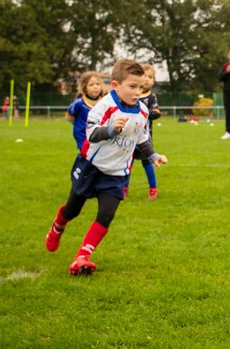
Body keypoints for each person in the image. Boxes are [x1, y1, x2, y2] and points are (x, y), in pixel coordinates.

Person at [44, 59, 168, 276]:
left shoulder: (142, 111)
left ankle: (82, 257)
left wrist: (153, 155)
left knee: (106, 214)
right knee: (73, 210)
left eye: (140, 87)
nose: (137, 92)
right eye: (132, 86)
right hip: (91, 167)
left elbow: (142, 138)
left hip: (117, 173)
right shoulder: (103, 106)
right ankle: (58, 226)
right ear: (115, 85)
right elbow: (92, 134)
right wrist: (111, 130)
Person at [128, 63, 162, 200]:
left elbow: (157, 112)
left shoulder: (151, 97)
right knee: (127, 164)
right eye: (144, 76)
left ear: (153, 81)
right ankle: (123, 188)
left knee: (147, 163)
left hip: (145, 139)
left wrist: (144, 113)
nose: (147, 79)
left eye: (150, 77)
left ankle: (153, 189)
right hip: (129, 137)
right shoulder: (131, 95)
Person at [66, 71, 106, 150]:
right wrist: (79, 126)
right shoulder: (79, 103)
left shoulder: (105, 102)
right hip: (83, 139)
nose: (95, 87)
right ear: (85, 88)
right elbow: (69, 117)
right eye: (91, 85)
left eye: (98, 84)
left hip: (99, 138)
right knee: (86, 157)